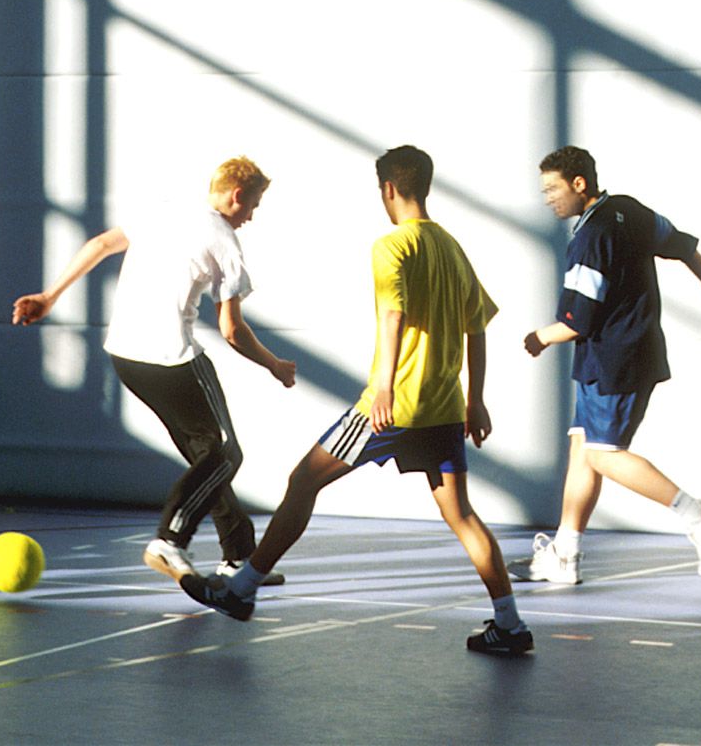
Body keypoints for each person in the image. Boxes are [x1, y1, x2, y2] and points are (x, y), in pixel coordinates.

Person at [180, 146, 532, 656]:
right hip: (444, 406)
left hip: (392, 406)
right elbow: (477, 328)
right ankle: (511, 625)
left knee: (303, 481)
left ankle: (240, 590)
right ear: (425, 186)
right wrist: (475, 400)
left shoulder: (391, 246)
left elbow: (391, 316)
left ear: (388, 188)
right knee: (462, 515)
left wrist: (385, 386)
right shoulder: (453, 249)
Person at [12, 156, 296, 585]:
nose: (250, 218)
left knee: (207, 459)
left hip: (126, 357)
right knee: (225, 452)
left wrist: (50, 296)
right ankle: (170, 540)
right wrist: (275, 364)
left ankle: (239, 557)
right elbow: (232, 330)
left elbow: (100, 245)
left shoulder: (161, 211)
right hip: (171, 359)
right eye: (252, 206)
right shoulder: (223, 238)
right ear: (237, 195)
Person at [515, 146, 701, 583]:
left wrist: (539, 337)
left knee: (603, 455)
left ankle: (699, 514)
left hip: (613, 360)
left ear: (579, 184)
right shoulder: (630, 211)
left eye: (553, 189)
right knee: (583, 448)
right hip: (624, 353)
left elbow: (576, 320)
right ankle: (565, 555)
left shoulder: (589, 238)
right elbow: (684, 248)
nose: (547, 198)